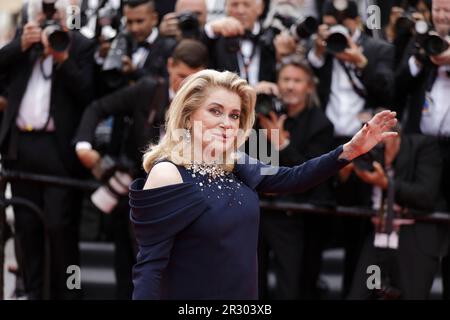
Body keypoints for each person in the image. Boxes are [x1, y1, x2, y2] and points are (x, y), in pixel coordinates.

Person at [128, 68, 398, 299]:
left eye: (234, 115)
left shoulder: (237, 163)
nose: (227, 123)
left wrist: (350, 150)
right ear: (188, 116)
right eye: (215, 111)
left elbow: (294, 177)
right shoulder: (168, 173)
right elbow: (150, 266)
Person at [74, 39, 208, 299]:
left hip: (186, 200)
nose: (185, 85)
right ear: (169, 66)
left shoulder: (211, 105)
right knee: (132, 267)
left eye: (193, 78)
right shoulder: (148, 90)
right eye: (180, 76)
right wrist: (83, 146)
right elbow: (98, 107)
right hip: (139, 194)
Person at [0, 0, 95, 299]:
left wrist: (62, 58)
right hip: (21, 147)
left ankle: (71, 291)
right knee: (26, 228)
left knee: (60, 230)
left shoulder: (79, 44)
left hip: (60, 151)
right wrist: (20, 45)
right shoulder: (23, 43)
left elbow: (89, 93)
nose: (50, 18)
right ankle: (31, 291)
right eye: (45, 12)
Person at [254, 56, 335, 299]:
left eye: (297, 80)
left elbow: (314, 173)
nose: (290, 86)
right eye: (285, 79)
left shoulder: (321, 124)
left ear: (309, 86)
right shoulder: (263, 115)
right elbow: (258, 164)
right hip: (259, 211)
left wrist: (282, 143)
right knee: (251, 281)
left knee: (290, 285)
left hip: (296, 216)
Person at [347, 128, 449, 299]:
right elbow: (351, 198)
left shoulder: (422, 147)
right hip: (378, 240)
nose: (377, 149)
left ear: (395, 137)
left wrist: (386, 183)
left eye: (381, 142)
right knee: (365, 292)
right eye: (373, 144)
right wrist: (345, 175)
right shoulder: (367, 158)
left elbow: (426, 195)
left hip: (414, 239)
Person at [395, 0, 450, 299]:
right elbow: (395, 88)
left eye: (448, 11)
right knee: (418, 224)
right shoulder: (421, 42)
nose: (442, 16)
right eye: (438, 10)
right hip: (424, 149)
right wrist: (419, 60)